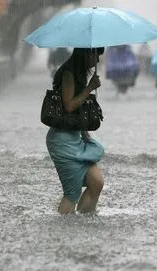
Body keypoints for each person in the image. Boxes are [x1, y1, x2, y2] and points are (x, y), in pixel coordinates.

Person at [46, 47, 105, 214]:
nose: (98, 60)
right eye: (96, 55)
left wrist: (84, 134)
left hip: (74, 136)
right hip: (61, 141)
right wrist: (89, 88)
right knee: (72, 194)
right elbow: (69, 105)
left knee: (96, 181)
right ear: (86, 53)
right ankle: (65, 229)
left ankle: (85, 218)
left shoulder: (79, 73)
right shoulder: (69, 73)